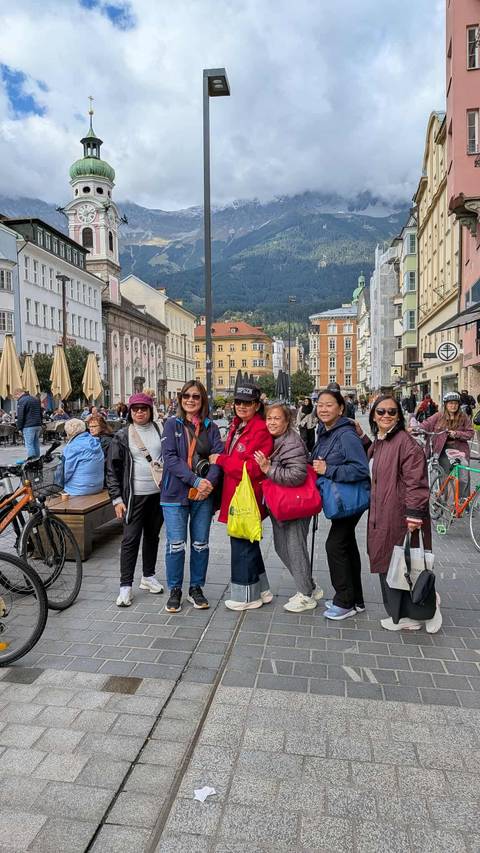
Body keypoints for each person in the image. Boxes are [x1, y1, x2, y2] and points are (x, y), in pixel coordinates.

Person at [366, 396, 441, 632]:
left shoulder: (405, 443)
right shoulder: (381, 440)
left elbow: (416, 482)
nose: (386, 416)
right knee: (390, 562)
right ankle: (405, 612)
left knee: (399, 564)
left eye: (391, 412)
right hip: (382, 513)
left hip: (398, 515)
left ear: (399, 415)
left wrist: (414, 514)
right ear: (373, 415)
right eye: (381, 412)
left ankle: (411, 613)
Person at [160, 380, 223, 613]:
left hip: (203, 494)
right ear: (180, 399)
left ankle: (196, 587)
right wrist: (196, 481)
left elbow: (218, 458)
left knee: (200, 544)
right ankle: (175, 589)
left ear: (202, 400)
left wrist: (209, 483)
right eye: (186, 395)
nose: (190, 400)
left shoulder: (212, 428)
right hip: (175, 493)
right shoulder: (171, 425)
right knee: (176, 545)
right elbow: (171, 459)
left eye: (196, 396)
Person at [210, 381, 274, 611]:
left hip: (247, 496)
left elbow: (254, 468)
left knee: (241, 541)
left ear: (257, 405)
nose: (241, 406)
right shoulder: (238, 425)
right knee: (248, 541)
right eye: (238, 402)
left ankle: (246, 596)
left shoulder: (261, 430)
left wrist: (222, 461)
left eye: (247, 402)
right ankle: (263, 589)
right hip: (236, 493)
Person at [254, 402, 322, 612]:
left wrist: (268, 469)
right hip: (283, 504)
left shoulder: (291, 442)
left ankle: (306, 595)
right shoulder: (277, 440)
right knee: (282, 547)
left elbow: (297, 474)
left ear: (287, 421)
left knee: (294, 548)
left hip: (295, 505)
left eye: (277, 419)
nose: (272, 422)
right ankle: (309, 585)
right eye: (269, 418)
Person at [311, 389, 371, 620]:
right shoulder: (325, 431)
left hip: (349, 501)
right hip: (343, 501)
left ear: (341, 408)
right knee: (346, 546)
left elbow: (360, 468)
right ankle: (356, 600)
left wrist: (329, 470)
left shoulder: (345, 434)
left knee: (334, 546)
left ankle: (344, 601)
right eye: (320, 405)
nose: (323, 409)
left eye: (329, 405)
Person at [106, 393, 164, 607]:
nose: (140, 412)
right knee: (130, 540)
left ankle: (148, 576)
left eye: (144, 408)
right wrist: (116, 499)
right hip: (133, 495)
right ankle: (125, 587)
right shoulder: (122, 435)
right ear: (130, 412)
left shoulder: (160, 430)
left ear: (150, 410)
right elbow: (112, 470)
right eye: (135, 408)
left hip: (157, 494)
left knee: (152, 536)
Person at [419, 391, 474, 497]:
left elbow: (470, 433)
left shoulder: (463, 417)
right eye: (450, 403)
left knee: (463, 478)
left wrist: (457, 433)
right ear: (446, 405)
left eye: (456, 403)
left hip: (460, 449)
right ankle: (443, 501)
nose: (453, 406)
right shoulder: (439, 415)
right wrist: (418, 428)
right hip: (443, 450)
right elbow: (427, 423)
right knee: (444, 477)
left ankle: (463, 504)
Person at [61, 418, 105, 496]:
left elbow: (66, 473)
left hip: (79, 490)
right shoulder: (95, 441)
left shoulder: (72, 447)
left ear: (69, 432)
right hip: (98, 486)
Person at [14, 388, 43, 459]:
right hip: (37, 425)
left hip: (28, 426)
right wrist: (40, 422)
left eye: (16, 397)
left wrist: (19, 428)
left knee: (29, 444)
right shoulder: (35, 399)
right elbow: (40, 413)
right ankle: (37, 460)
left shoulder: (22, 400)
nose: (16, 398)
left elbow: (20, 416)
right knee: (36, 444)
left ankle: (32, 462)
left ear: (18, 393)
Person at [88, 414, 113, 485]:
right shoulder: (96, 438)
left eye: (94, 426)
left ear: (102, 427)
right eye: (90, 427)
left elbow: (102, 462)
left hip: (105, 478)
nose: (91, 429)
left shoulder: (106, 440)